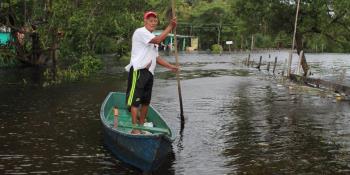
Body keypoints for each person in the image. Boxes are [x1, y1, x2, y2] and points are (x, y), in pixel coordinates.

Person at [125, 11, 179, 134]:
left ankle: (142, 125)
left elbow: (156, 58)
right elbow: (159, 39)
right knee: (135, 101)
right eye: (150, 20)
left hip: (149, 73)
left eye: (155, 21)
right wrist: (170, 26)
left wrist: (171, 67)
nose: (153, 23)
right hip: (138, 71)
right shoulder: (141, 32)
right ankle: (135, 129)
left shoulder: (151, 36)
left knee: (145, 101)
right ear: (145, 21)